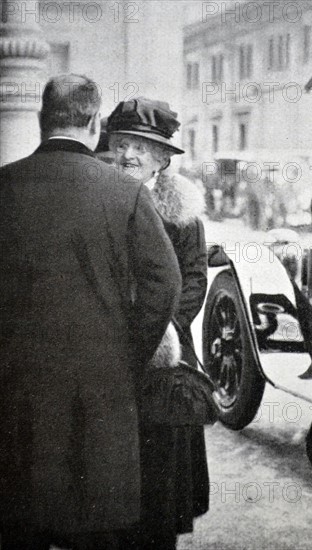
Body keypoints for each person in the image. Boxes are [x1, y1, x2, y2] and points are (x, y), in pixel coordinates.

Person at [0, 75, 181, 549]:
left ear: (43, 119)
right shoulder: (125, 193)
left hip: (13, 391)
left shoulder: (4, 185)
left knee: (18, 522)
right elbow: (165, 285)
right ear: (95, 122)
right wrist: (126, 355)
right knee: (96, 526)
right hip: (99, 395)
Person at [107, 97, 209, 549]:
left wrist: (162, 331)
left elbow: (194, 278)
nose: (129, 155)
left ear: (163, 158)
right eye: (123, 143)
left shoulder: (181, 209)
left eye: (142, 147)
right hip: (106, 355)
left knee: (160, 489)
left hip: (163, 362)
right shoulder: (100, 195)